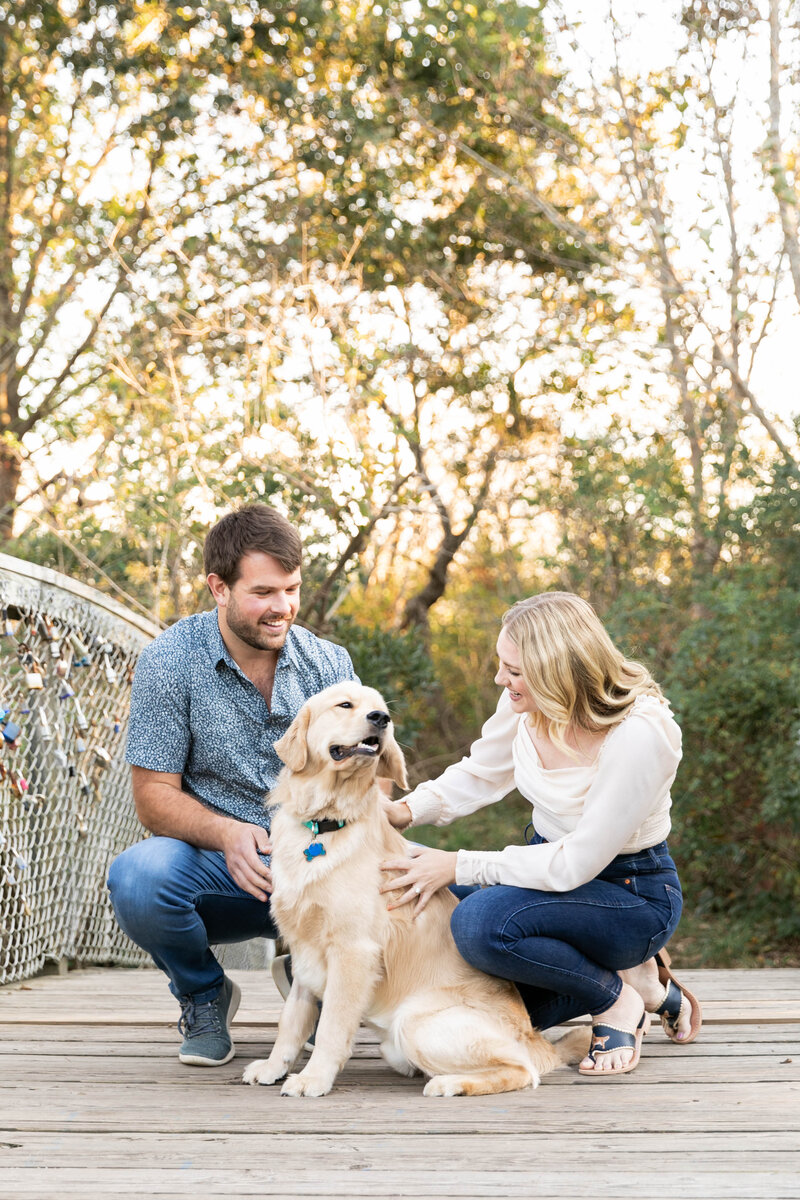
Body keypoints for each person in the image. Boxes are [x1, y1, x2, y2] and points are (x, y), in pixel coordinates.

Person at [380, 591, 702, 1077]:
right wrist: (404, 811)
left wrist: (458, 863)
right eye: (501, 664)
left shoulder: (642, 733)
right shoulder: (524, 703)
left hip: (629, 895)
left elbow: (578, 862)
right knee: (427, 913)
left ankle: (616, 999)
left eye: (513, 669)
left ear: (557, 668)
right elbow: (481, 773)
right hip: (543, 875)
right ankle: (640, 979)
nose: (499, 678)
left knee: (477, 924)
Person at [107, 504, 358, 1067]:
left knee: (459, 896)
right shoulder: (168, 662)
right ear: (218, 587)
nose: (283, 608)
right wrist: (226, 833)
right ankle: (203, 993)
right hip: (227, 872)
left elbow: (360, 781)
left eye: (291, 589)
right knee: (138, 877)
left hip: (320, 858)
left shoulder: (330, 663)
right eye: (264, 592)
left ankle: (310, 972)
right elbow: (153, 797)